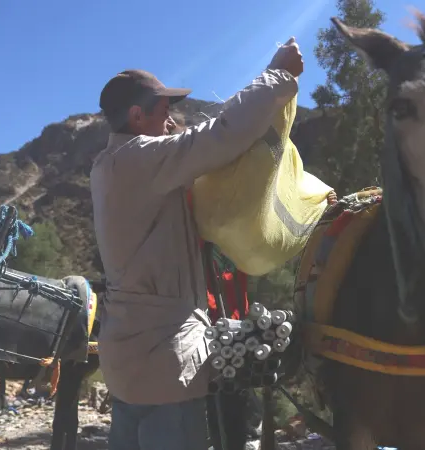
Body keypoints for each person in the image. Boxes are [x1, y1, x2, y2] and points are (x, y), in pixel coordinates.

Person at [90, 37, 304, 450]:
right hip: (166, 362)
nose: (170, 117)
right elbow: (220, 135)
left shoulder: (109, 167)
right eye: (162, 109)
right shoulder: (137, 159)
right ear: (137, 115)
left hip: (128, 361)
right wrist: (278, 75)